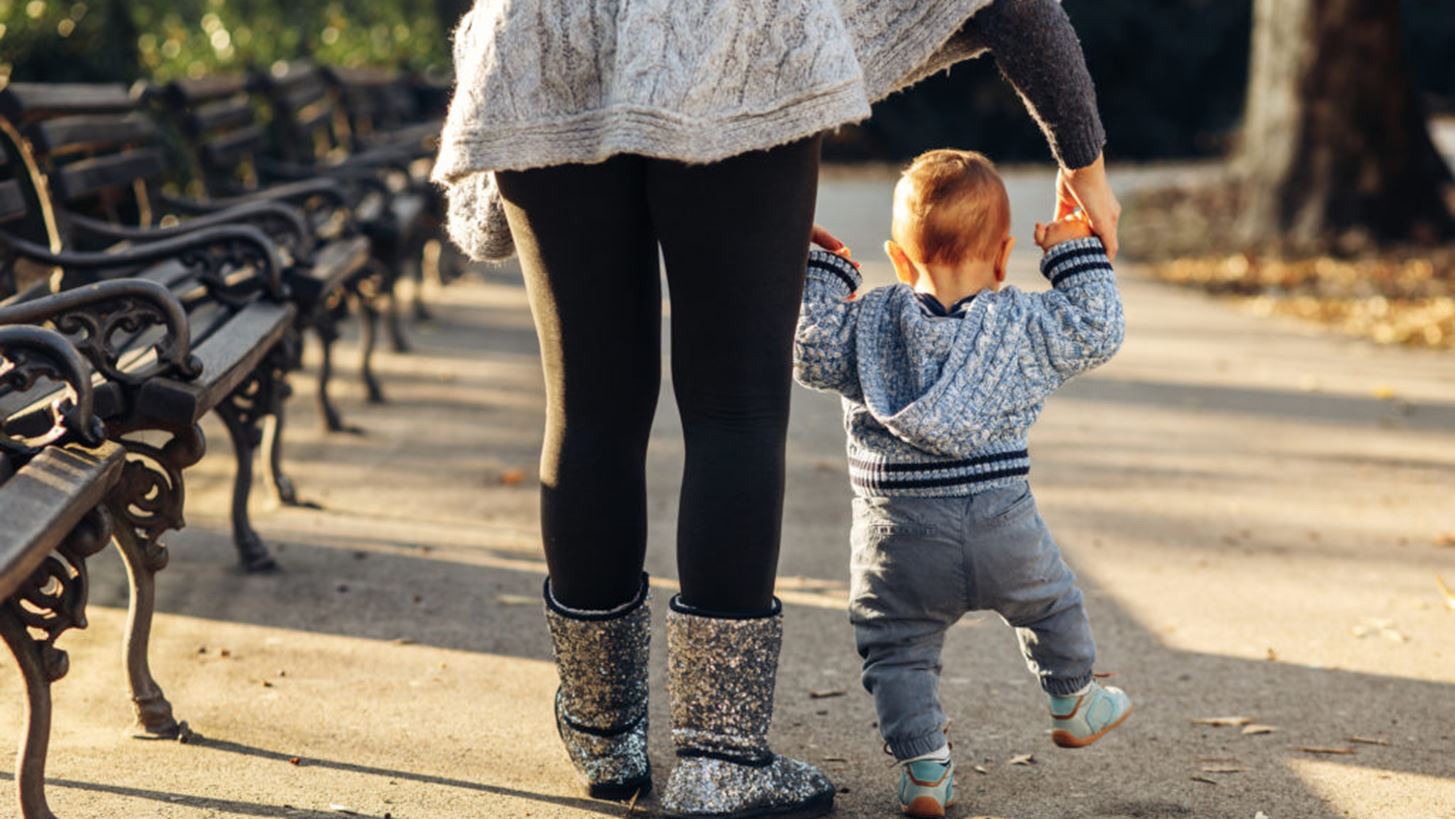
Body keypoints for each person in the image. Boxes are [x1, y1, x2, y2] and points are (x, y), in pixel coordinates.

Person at [432, 1, 1120, 816]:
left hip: (544, 36)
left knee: (588, 408)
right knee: (734, 408)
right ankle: (719, 759)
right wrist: (1083, 168)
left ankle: (600, 730)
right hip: (734, 39)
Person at [793, 149, 1132, 818]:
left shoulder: (865, 326)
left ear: (896, 258)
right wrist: (1073, 252)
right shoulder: (1023, 326)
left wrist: (819, 270)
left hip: (898, 540)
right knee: (1052, 603)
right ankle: (1072, 697)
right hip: (1003, 528)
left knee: (895, 649)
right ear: (1004, 258)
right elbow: (1097, 327)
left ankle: (922, 766)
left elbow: (808, 348)